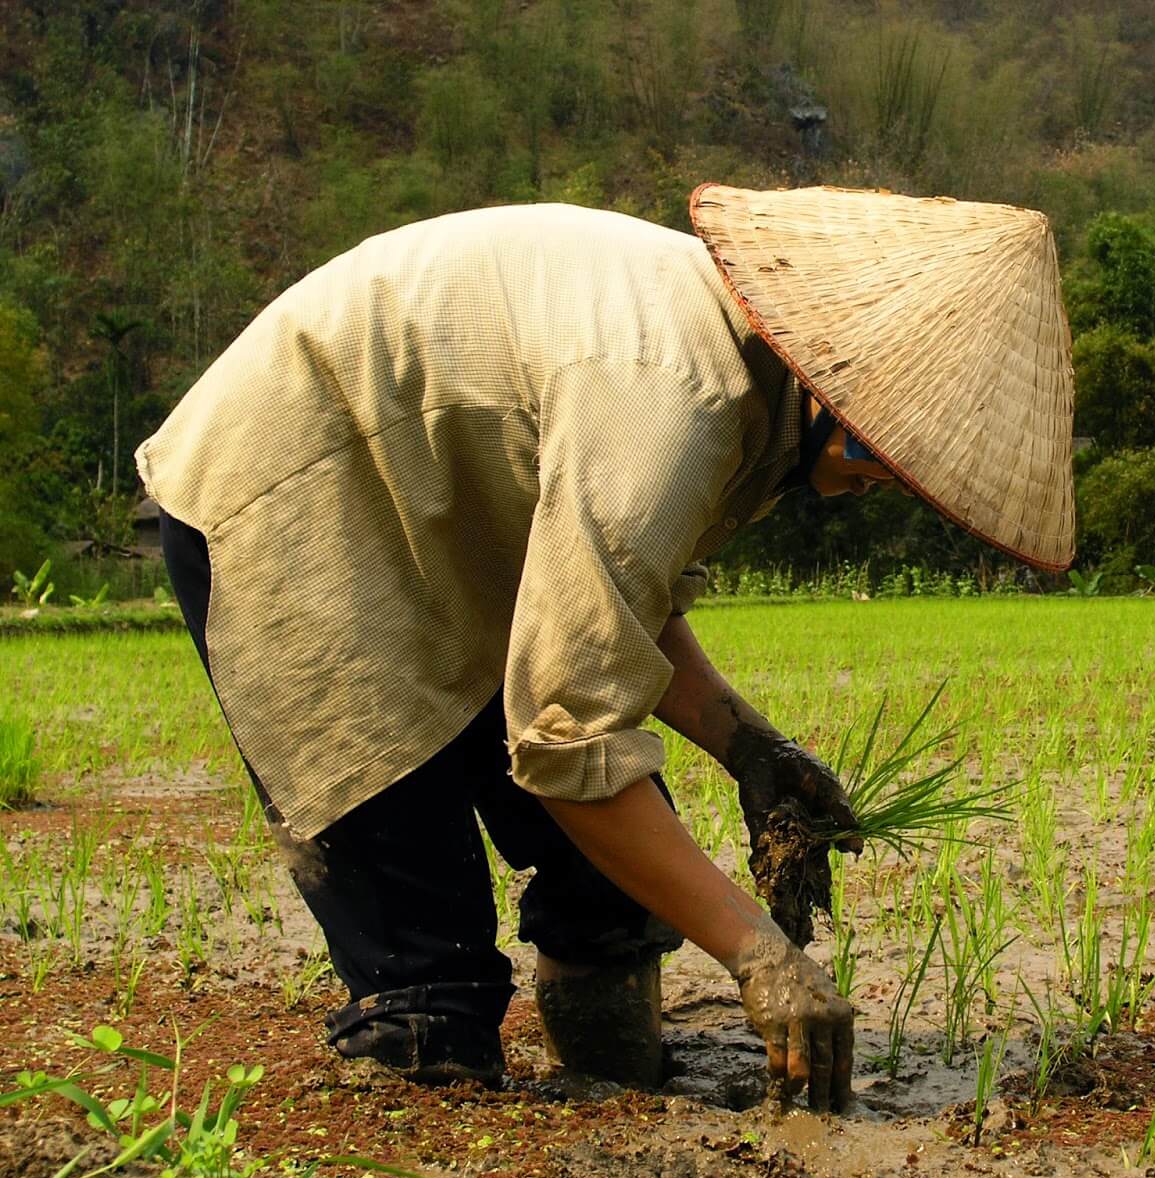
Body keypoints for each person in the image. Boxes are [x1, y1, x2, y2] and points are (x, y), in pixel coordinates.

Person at [135, 183, 1076, 1113]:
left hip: (441, 529)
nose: (891, 482)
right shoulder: (673, 403)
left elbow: (621, 605)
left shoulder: (740, 379)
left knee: (613, 888)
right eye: (887, 452)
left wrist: (753, 748)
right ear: (838, 386)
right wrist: (757, 952)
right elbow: (569, 740)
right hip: (296, 503)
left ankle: (613, 1103)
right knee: (427, 979)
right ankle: (423, 1138)